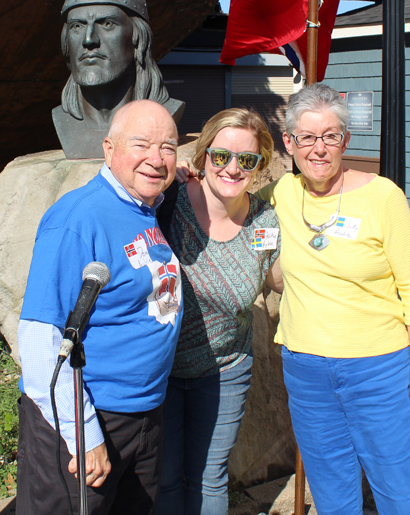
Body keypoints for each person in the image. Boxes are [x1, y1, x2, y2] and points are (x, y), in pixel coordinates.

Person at [257, 83, 410, 515]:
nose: (319, 149)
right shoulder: (280, 195)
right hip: (306, 370)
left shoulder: (382, 197)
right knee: (332, 494)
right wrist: (189, 177)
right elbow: (228, 201)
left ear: (345, 140)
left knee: (400, 493)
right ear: (290, 142)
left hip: (378, 370)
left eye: (330, 136)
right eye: (308, 137)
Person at [16, 100, 183, 515]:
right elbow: (40, 340)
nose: (156, 159)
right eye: (141, 144)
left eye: (168, 148)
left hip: (143, 415)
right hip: (85, 417)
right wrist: (85, 435)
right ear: (109, 150)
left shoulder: (144, 207)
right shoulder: (77, 218)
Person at [157, 108, 283, 515]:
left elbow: (280, 279)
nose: (232, 168)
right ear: (203, 154)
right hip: (160, 371)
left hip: (226, 370)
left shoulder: (266, 224)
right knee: (166, 478)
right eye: (220, 156)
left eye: (246, 159)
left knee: (210, 478)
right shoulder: (167, 204)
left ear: (260, 165)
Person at [53, 0, 184, 159]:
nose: (89, 40)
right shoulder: (61, 118)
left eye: (107, 24)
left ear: (138, 40)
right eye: (77, 26)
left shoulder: (167, 113)